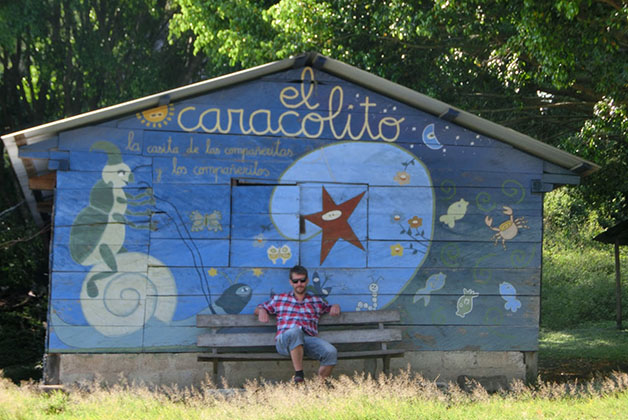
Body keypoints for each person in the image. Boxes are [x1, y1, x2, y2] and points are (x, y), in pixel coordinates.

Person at [254, 265, 341, 383]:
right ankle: (299, 375)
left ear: (307, 281)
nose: (299, 283)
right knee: (295, 331)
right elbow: (259, 308)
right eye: (295, 281)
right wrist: (261, 311)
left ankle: (318, 387)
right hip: (285, 340)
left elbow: (329, 308)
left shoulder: (316, 301)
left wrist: (335, 306)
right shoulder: (280, 299)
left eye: (302, 280)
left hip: (307, 341)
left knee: (331, 352)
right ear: (291, 282)